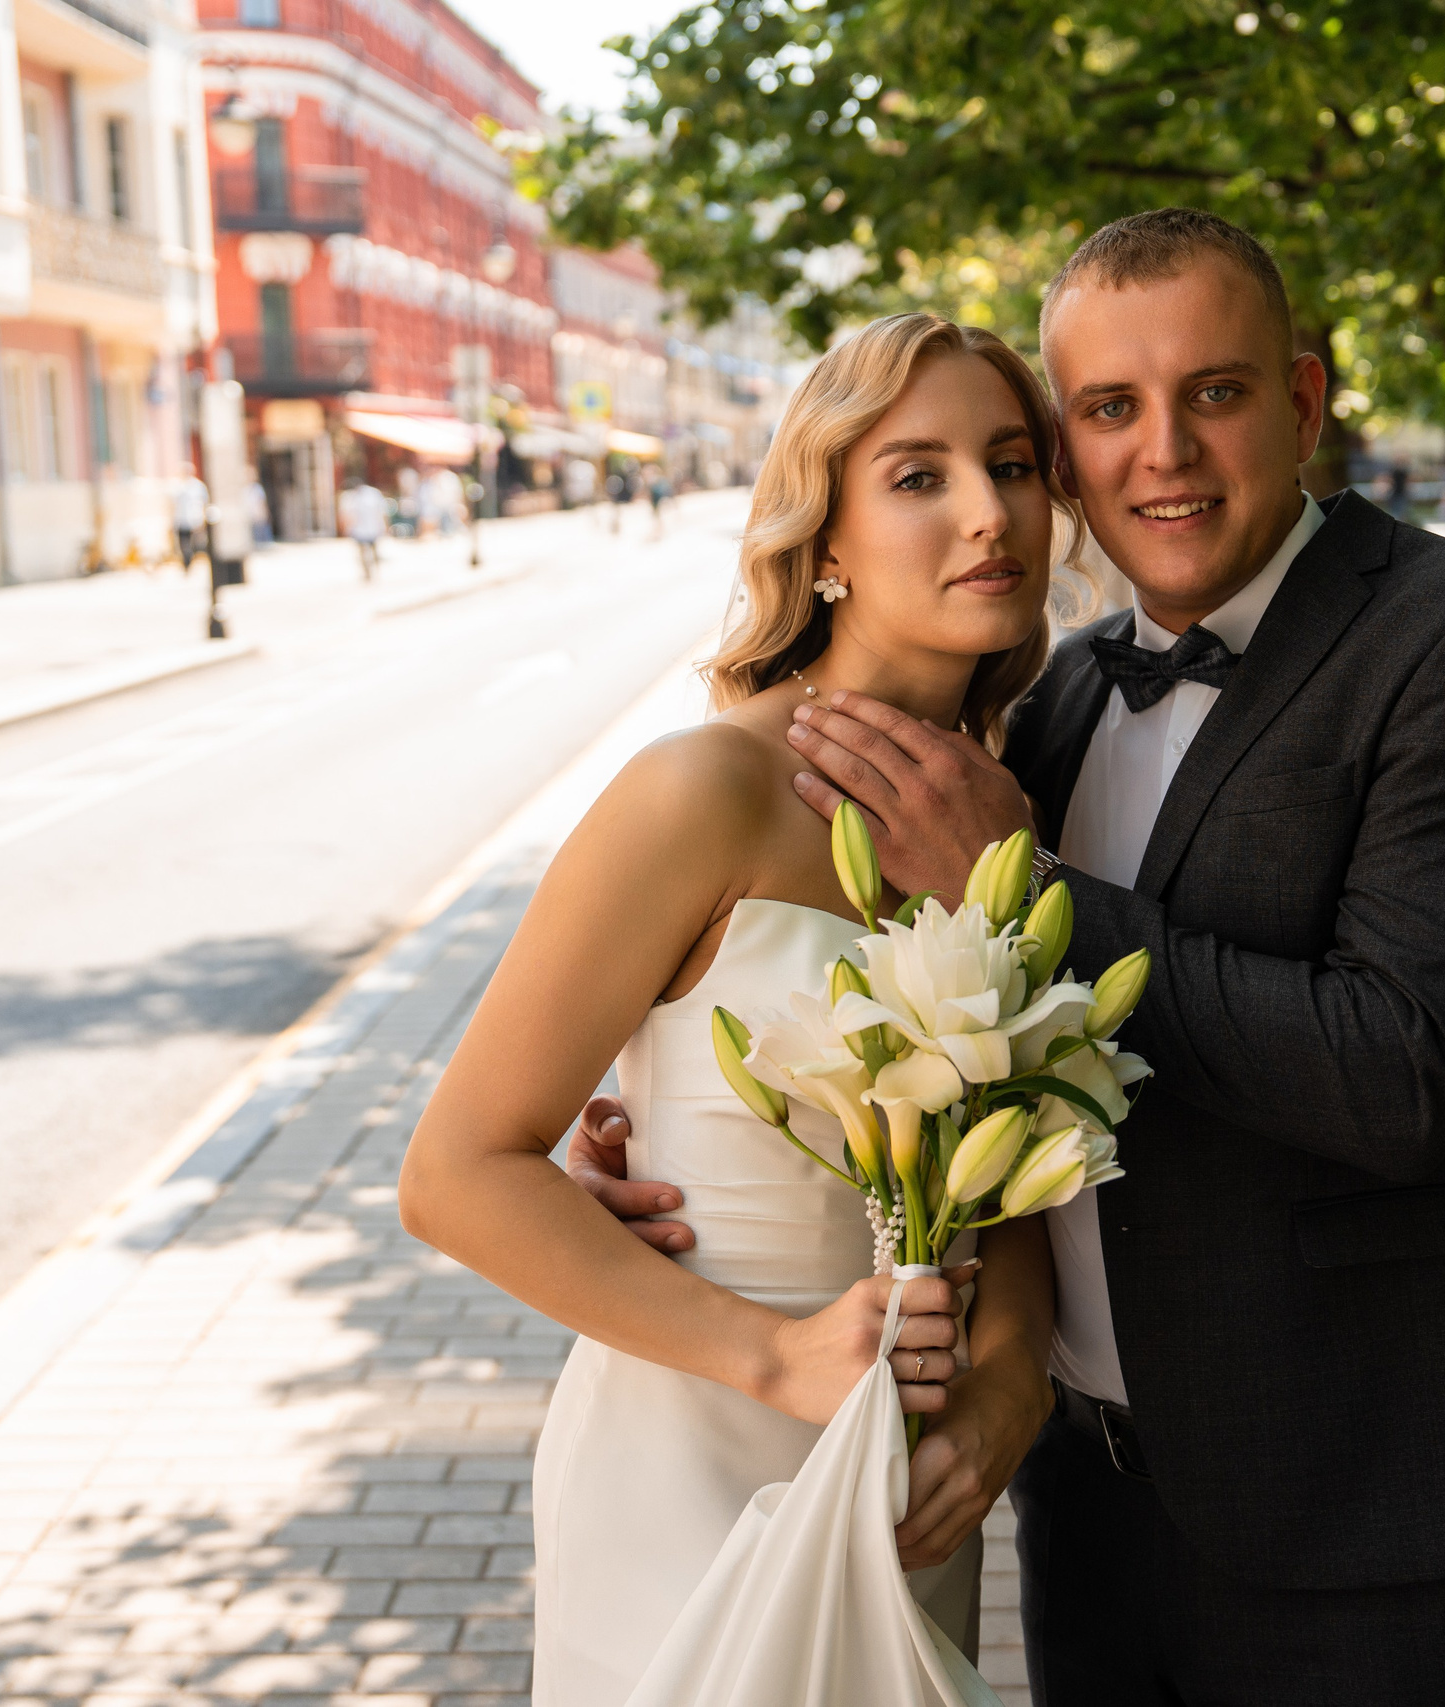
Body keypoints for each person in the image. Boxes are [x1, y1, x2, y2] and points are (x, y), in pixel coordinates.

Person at [572, 208, 1445, 1704]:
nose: (1165, 453)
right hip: (1090, 1504)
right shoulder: (1047, 708)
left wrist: (1029, 885)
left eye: (1217, 391)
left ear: (1306, 400)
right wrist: (656, 1110)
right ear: (1073, 449)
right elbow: (978, 1083)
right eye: (1109, 410)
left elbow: (1404, 1070)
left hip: (1367, 1510)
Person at [398, 314, 1078, 1706]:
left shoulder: (1018, 815)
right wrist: (773, 1354)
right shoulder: (701, 790)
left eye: (1011, 463)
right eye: (918, 475)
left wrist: (1010, 1387)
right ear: (822, 537)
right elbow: (454, 1172)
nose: (986, 511)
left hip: (903, 1481)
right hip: (684, 1450)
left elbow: (1008, 1173)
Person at [339, 475, 389, 580]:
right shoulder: (351, 497)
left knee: (373, 551)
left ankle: (375, 570)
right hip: (360, 530)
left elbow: (382, 511)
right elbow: (348, 514)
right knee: (363, 552)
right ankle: (368, 573)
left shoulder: (372, 494)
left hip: (373, 528)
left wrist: (384, 525)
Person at [171, 473, 208, 569]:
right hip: (181, 520)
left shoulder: (198, 486)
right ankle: (187, 563)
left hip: (195, 519)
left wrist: (203, 518)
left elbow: (204, 503)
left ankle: (194, 562)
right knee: (184, 544)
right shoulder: (178, 486)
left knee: (196, 544)